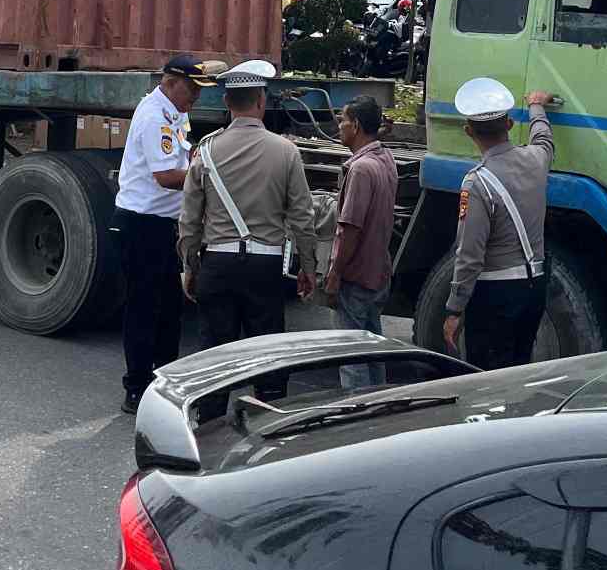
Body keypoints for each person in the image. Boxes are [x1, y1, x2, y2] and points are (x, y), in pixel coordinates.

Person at [179, 59, 315, 380]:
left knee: (214, 363)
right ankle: (265, 417)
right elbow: (302, 217)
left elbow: (189, 219)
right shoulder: (286, 151)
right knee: (267, 360)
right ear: (262, 101)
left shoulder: (206, 150)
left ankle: (209, 425)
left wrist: (189, 266)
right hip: (264, 269)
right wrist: (308, 267)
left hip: (217, 265)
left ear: (226, 102)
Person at [113, 54, 206, 415]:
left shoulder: (175, 112)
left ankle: (164, 384)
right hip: (142, 223)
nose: (196, 95)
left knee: (170, 309)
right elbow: (167, 177)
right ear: (170, 82)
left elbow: (181, 159)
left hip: (166, 222)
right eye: (192, 87)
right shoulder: (154, 116)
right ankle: (136, 387)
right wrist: (208, 171)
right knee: (143, 309)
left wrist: (196, 163)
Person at [441, 78, 555, 371]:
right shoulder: (536, 160)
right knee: (517, 370)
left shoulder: (477, 182)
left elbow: (469, 255)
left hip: (495, 295)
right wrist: (536, 106)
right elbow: (543, 139)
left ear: (469, 132)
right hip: (534, 287)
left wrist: (454, 309)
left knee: (486, 380)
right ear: (508, 124)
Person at [324, 96, 398, 389]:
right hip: (377, 273)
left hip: (356, 277)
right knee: (372, 351)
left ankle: (357, 414)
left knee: (350, 357)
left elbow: (349, 229)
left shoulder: (361, 169)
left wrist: (334, 273)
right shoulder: (384, 159)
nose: (339, 126)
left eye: (342, 120)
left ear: (355, 126)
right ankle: (378, 407)